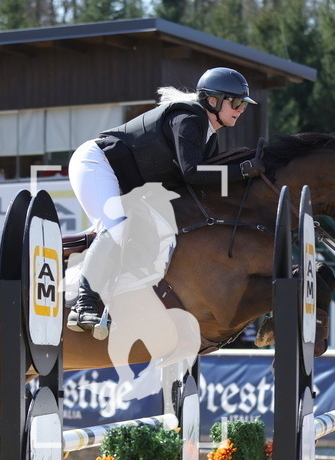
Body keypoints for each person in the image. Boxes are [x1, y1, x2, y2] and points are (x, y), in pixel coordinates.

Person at [66, 66, 262, 333]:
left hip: (125, 180)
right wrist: (241, 171)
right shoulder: (188, 119)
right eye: (236, 103)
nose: (241, 110)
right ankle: (83, 304)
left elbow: (202, 185)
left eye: (244, 105)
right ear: (213, 101)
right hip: (97, 163)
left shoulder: (209, 139)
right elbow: (192, 173)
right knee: (116, 227)